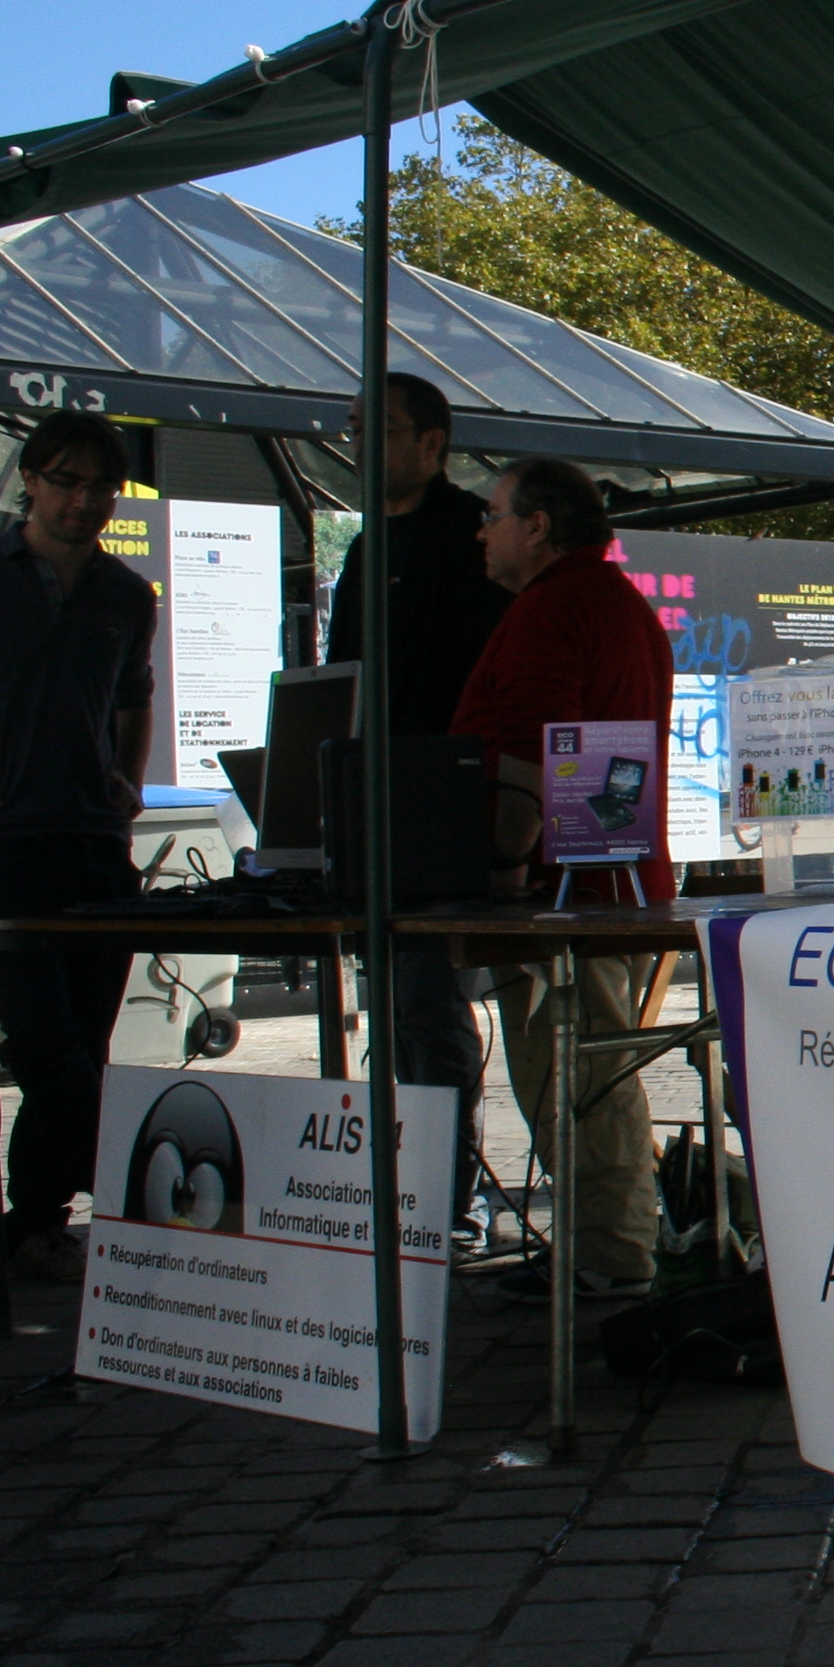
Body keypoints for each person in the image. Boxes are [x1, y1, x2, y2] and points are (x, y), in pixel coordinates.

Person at [0, 416, 159, 1281]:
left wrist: (125, 783)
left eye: (99, 487)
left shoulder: (127, 597)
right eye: (65, 481)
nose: (82, 500)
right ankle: (136, 1190)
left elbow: (135, 699)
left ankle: (36, 1222)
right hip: (7, 844)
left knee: (82, 1043)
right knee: (40, 1043)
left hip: (95, 844)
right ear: (29, 480)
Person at [452, 456, 673, 1299]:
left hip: (560, 891)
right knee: (590, 1073)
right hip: (604, 880)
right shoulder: (614, 604)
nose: (483, 530)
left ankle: (611, 1255)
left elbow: (530, 755)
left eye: (494, 514)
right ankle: (608, 1245)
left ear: (538, 524)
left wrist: (507, 868)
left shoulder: (552, 611)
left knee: (570, 1076)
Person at [326, 373, 512, 1231]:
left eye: (375, 428)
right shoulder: (365, 553)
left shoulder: (476, 537)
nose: (356, 444)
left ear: (430, 443)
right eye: (351, 427)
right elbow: (339, 685)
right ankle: (421, 1184)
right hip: (372, 811)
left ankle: (449, 1196)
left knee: (427, 1004)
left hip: (450, 811)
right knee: (397, 1011)